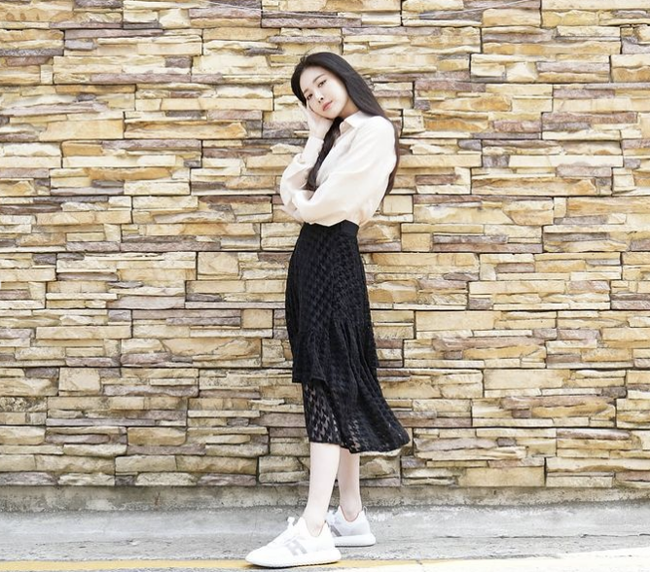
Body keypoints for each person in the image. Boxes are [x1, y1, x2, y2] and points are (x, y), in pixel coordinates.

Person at [245, 51, 410, 568]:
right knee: (336, 381)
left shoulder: (374, 131)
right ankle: (351, 516)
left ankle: (314, 528)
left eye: (321, 82)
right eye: (307, 94)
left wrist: (302, 203)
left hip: (332, 256)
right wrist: (315, 138)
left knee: (326, 382)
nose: (317, 96)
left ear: (344, 76)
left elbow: (320, 206)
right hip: (315, 261)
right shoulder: (336, 137)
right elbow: (292, 190)